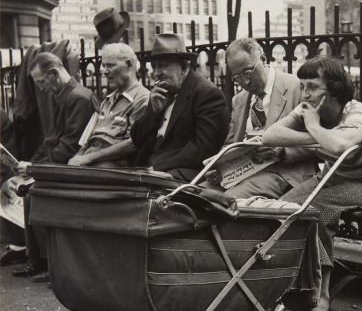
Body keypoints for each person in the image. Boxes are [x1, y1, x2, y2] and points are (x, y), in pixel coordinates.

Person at [262, 56, 362, 311]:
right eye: (302, 85)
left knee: (309, 210)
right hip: (330, 179)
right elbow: (270, 136)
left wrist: (312, 127)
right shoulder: (310, 109)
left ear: (334, 89)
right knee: (283, 208)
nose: (304, 93)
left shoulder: (357, 115)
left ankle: (321, 299)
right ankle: (299, 288)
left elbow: (340, 146)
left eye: (312, 86)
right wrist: (316, 134)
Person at [11, 52, 99, 280]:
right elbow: (51, 141)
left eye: (41, 82)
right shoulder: (65, 96)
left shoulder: (77, 98)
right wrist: (30, 165)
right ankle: (39, 259)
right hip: (67, 165)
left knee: (33, 193)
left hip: (79, 169)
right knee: (26, 190)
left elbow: (69, 147)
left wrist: (34, 169)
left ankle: (47, 263)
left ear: (53, 73)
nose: (41, 89)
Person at [211, 38, 315, 198]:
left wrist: (282, 151)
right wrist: (219, 168)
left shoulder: (297, 87)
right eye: (237, 78)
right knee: (195, 195)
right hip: (242, 175)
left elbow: (320, 140)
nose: (245, 82)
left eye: (248, 73)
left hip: (284, 173)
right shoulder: (239, 100)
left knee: (226, 202)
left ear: (264, 59)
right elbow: (231, 145)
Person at [130, 33, 229, 181]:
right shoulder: (160, 93)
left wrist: (158, 167)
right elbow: (137, 139)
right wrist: (153, 113)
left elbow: (203, 150)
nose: (156, 73)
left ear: (183, 67)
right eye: (154, 67)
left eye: (163, 66)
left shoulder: (207, 94)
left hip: (184, 172)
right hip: (147, 169)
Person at [68, 43, 149, 168]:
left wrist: (88, 158)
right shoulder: (107, 101)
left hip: (113, 167)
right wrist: (77, 159)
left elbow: (132, 144)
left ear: (129, 65)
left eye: (110, 65)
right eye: (104, 65)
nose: (104, 71)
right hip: (93, 162)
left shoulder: (142, 99)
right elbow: (88, 138)